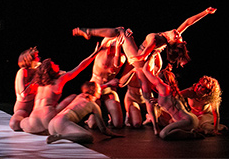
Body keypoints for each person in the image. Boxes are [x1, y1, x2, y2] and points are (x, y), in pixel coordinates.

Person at [73, 7, 217, 135]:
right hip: (145, 60)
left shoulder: (156, 39)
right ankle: (154, 126)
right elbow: (187, 23)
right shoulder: (169, 36)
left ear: (173, 43)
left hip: (138, 58)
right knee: (147, 95)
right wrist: (205, 12)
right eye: (179, 36)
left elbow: (141, 56)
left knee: (120, 31)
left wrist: (136, 54)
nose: (177, 33)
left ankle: (88, 31)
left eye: (177, 37)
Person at [20, 43, 102, 134]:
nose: (57, 65)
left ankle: (39, 129)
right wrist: (94, 54)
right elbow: (80, 67)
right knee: (74, 96)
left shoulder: (39, 84)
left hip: (33, 119)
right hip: (48, 117)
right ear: (51, 70)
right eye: (54, 64)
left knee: (22, 122)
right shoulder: (59, 80)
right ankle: (61, 124)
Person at [142, 51, 204, 140]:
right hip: (190, 120)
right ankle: (192, 131)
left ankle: (192, 135)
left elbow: (145, 71)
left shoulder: (164, 87)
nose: (156, 78)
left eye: (158, 77)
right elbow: (168, 101)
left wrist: (152, 54)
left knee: (163, 134)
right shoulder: (167, 91)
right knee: (168, 128)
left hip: (186, 120)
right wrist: (157, 100)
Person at [73, 28, 127, 128]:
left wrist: (118, 46)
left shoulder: (122, 56)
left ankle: (108, 117)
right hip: (94, 88)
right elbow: (116, 31)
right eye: (115, 39)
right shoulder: (103, 48)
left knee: (118, 124)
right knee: (93, 125)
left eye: (118, 40)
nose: (115, 41)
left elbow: (117, 63)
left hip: (109, 89)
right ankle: (91, 118)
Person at [47, 81, 123, 144]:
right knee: (88, 137)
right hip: (61, 122)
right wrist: (114, 134)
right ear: (95, 91)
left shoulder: (79, 96)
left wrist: (106, 84)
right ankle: (61, 136)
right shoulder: (93, 105)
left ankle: (58, 135)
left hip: (52, 124)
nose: (101, 91)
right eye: (99, 89)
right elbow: (103, 129)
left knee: (76, 132)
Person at [9, 47, 41, 131]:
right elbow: (24, 93)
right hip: (23, 108)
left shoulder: (35, 71)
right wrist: (35, 79)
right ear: (29, 59)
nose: (39, 59)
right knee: (14, 125)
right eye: (36, 57)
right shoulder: (22, 71)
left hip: (34, 108)